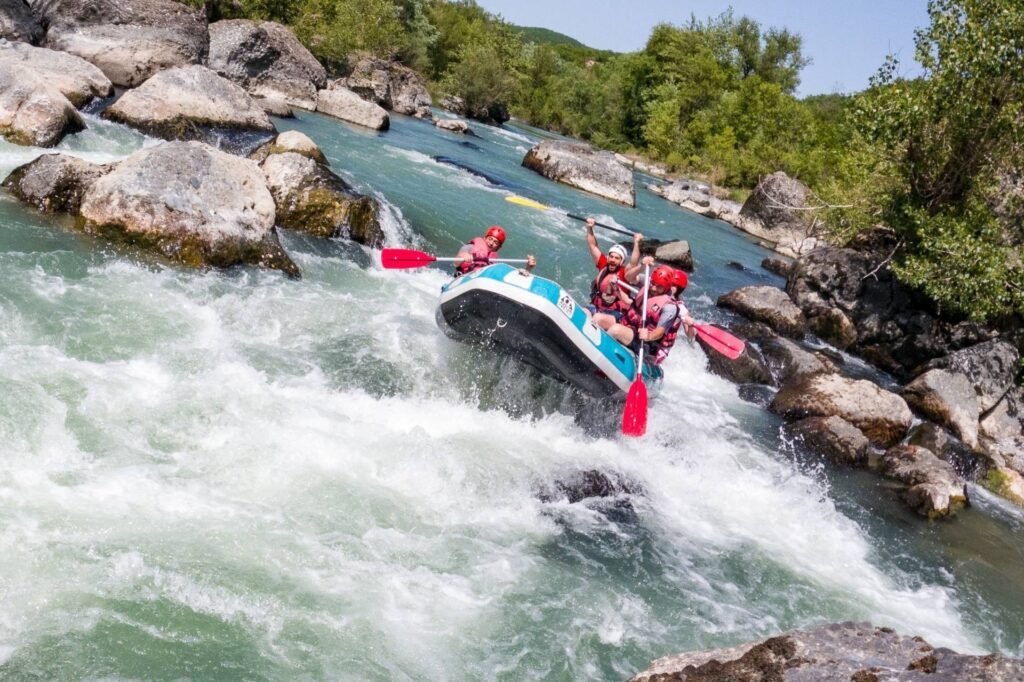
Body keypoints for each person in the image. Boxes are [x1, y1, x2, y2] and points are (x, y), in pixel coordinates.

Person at [607, 259, 693, 365]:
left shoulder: (674, 306)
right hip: (631, 325)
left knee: (615, 330)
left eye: (675, 286)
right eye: (653, 283)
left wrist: (691, 324)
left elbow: (661, 331)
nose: (654, 287)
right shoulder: (650, 284)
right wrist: (642, 266)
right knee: (598, 318)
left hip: (648, 343)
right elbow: (629, 277)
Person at [586, 217, 643, 329]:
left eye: (617, 258)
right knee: (583, 312)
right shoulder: (603, 265)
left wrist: (636, 243)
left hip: (617, 314)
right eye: (611, 256)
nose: (612, 260)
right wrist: (589, 228)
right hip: (598, 307)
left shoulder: (624, 273)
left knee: (597, 318)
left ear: (621, 261)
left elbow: (634, 263)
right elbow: (593, 245)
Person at [455, 225, 536, 275]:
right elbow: (456, 262)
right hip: (462, 277)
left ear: (498, 248)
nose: (491, 243)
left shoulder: (494, 261)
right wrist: (464, 256)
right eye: (490, 239)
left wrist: (528, 269)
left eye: (495, 242)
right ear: (484, 238)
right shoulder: (471, 247)